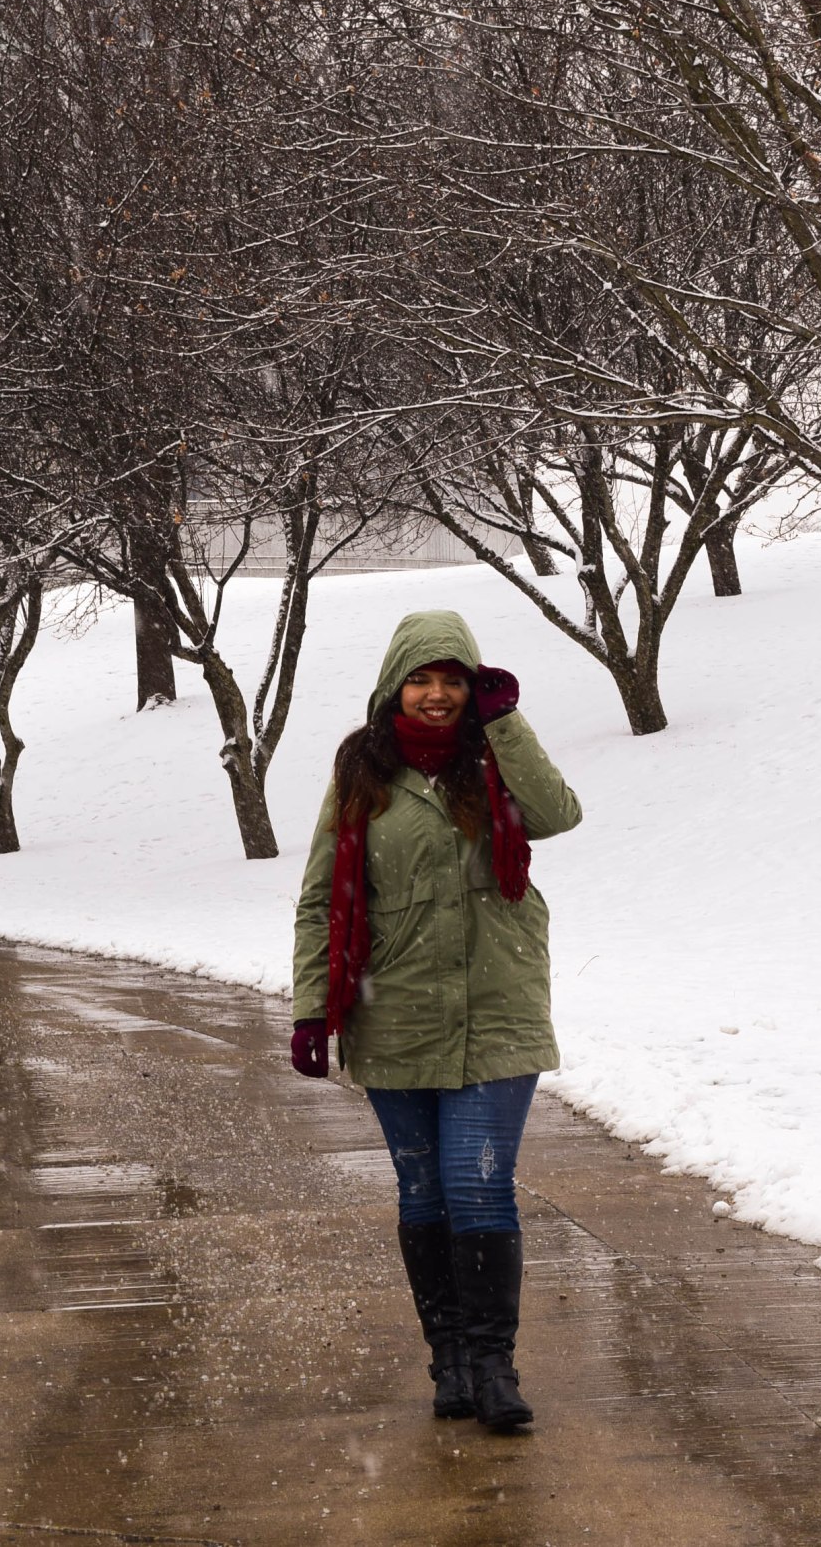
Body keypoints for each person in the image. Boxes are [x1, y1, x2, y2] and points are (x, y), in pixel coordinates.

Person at [290, 610, 582, 1431]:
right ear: (394, 686)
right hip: (397, 1015)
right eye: (422, 678)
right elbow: (324, 898)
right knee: (423, 1192)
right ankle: (448, 1361)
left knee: (477, 1187)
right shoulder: (362, 773)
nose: (437, 694)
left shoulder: (495, 757)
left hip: (498, 1007)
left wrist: (506, 721)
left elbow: (557, 814)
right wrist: (314, 1007)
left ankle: (493, 1368)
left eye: (454, 679)